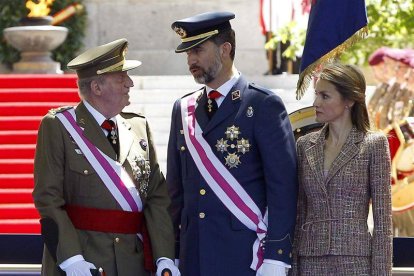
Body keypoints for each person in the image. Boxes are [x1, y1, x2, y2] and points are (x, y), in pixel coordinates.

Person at [33, 38, 180, 276]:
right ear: (97, 88)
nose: (130, 83)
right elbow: (48, 199)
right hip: (84, 261)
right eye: (121, 78)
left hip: (133, 262)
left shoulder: (139, 126)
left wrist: (165, 257)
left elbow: (156, 197)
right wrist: (71, 259)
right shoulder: (59, 127)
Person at [167, 11, 298, 276]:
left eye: (198, 50)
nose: (191, 60)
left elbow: (282, 187)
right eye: (187, 53)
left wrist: (276, 256)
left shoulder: (262, 105)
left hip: (243, 255)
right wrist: (170, 254)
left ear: (225, 49)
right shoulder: (183, 108)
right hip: (194, 255)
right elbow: (176, 191)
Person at [290, 62, 393, 275]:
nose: (316, 102)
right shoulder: (304, 145)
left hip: (355, 260)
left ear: (349, 100)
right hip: (310, 260)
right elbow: (299, 211)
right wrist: (294, 268)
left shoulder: (373, 144)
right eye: (316, 94)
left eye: (325, 96)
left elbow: (383, 221)